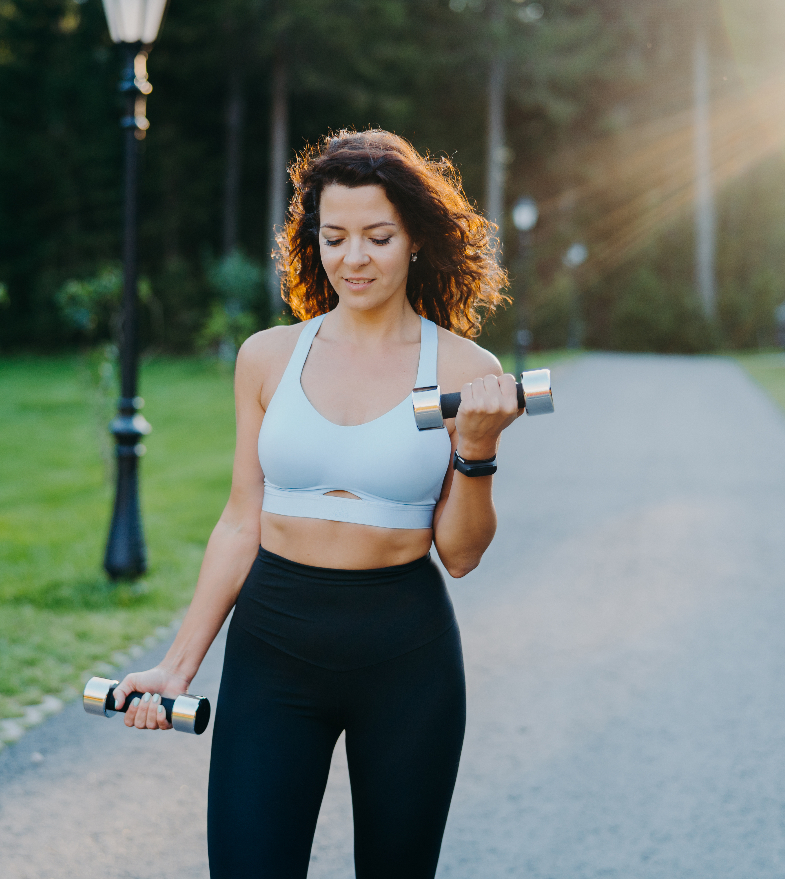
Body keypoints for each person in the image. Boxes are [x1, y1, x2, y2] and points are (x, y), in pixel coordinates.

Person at [112, 129, 513, 879]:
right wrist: (177, 665)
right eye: (334, 237)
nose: (353, 258)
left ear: (417, 240)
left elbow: (459, 553)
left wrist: (478, 449)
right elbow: (240, 520)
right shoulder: (267, 356)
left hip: (405, 653)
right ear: (312, 241)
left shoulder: (464, 369)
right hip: (275, 646)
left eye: (377, 236)